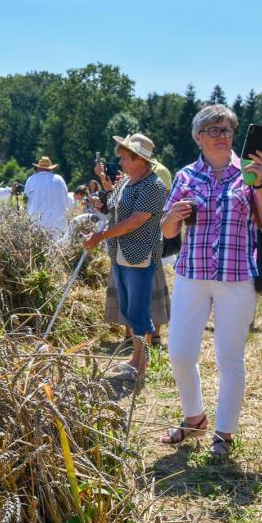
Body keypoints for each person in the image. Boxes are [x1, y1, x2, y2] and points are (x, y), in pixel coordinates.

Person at [159, 104, 262, 459]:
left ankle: (224, 432)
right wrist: (172, 217)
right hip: (192, 273)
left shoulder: (250, 174)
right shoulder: (186, 176)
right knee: (179, 353)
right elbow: (168, 231)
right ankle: (195, 418)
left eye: (228, 130)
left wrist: (261, 182)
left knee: (229, 358)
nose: (223, 136)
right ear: (198, 137)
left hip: (236, 276)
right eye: (214, 130)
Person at [83, 134, 166, 379]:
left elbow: (136, 220)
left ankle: (141, 366)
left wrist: (101, 235)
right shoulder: (126, 182)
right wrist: (102, 205)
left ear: (139, 159)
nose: (120, 163)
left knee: (139, 311)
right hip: (120, 253)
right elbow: (115, 206)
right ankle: (134, 360)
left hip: (139, 255)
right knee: (129, 309)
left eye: (124, 158)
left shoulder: (153, 185)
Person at [24, 156, 72, 239]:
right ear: (51, 168)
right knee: (57, 245)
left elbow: (26, 200)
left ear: (38, 168)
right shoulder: (59, 179)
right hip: (57, 223)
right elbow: (66, 200)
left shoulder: (31, 179)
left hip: (37, 222)